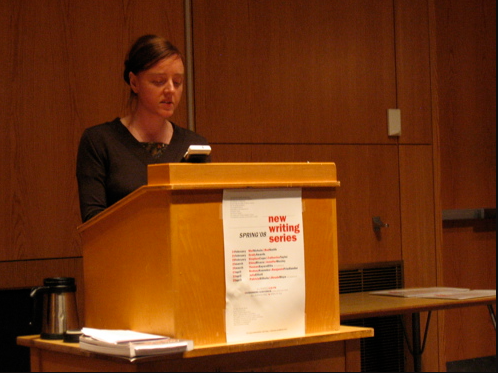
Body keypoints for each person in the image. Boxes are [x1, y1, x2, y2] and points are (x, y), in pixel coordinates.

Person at [76, 35, 210, 223]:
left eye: (177, 82)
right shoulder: (99, 141)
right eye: (159, 81)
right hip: (123, 250)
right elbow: (94, 221)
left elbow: (205, 216)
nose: (170, 90)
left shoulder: (194, 145)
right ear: (134, 82)